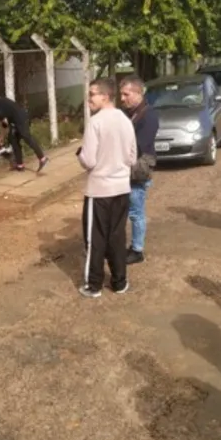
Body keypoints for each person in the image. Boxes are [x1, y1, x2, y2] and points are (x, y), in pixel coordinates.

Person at [76, 78, 137, 298]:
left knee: (95, 239)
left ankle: (94, 285)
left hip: (99, 190)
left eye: (92, 93)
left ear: (105, 96)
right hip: (122, 189)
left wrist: (81, 156)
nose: (89, 98)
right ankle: (120, 282)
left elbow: (89, 160)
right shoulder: (125, 120)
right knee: (117, 236)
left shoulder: (96, 122)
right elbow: (132, 157)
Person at [118, 75, 159, 265]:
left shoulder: (148, 115)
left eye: (126, 94)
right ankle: (129, 246)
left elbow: (140, 145)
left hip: (138, 169)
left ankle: (137, 250)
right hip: (129, 167)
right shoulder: (131, 113)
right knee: (127, 210)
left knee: (136, 212)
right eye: (121, 94)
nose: (122, 98)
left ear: (137, 93)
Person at [0, 93, 50, 172]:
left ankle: (42, 158)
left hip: (20, 119)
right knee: (13, 139)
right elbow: (3, 123)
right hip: (20, 118)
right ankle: (20, 165)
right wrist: (1, 137)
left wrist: (1, 138)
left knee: (27, 137)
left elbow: (4, 123)